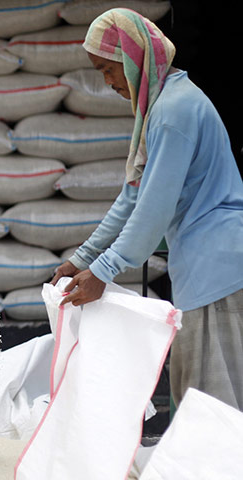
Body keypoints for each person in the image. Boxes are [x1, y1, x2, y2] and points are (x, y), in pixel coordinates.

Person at [51, 8, 243, 412]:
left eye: (108, 69)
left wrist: (103, 271)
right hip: (206, 264)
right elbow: (132, 197)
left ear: (134, 60)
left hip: (219, 268)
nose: (107, 83)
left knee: (213, 407)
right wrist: (83, 258)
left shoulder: (173, 113)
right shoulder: (160, 108)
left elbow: (153, 209)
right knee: (199, 397)